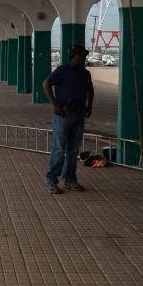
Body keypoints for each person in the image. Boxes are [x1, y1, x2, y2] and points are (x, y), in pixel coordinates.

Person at [42, 46, 94, 194]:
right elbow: (46, 84)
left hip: (79, 115)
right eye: (82, 56)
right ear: (74, 56)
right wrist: (54, 104)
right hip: (63, 115)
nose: (84, 58)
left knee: (73, 150)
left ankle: (70, 179)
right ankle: (51, 180)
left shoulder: (85, 73)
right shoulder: (62, 70)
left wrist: (89, 106)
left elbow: (90, 90)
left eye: (85, 56)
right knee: (59, 149)